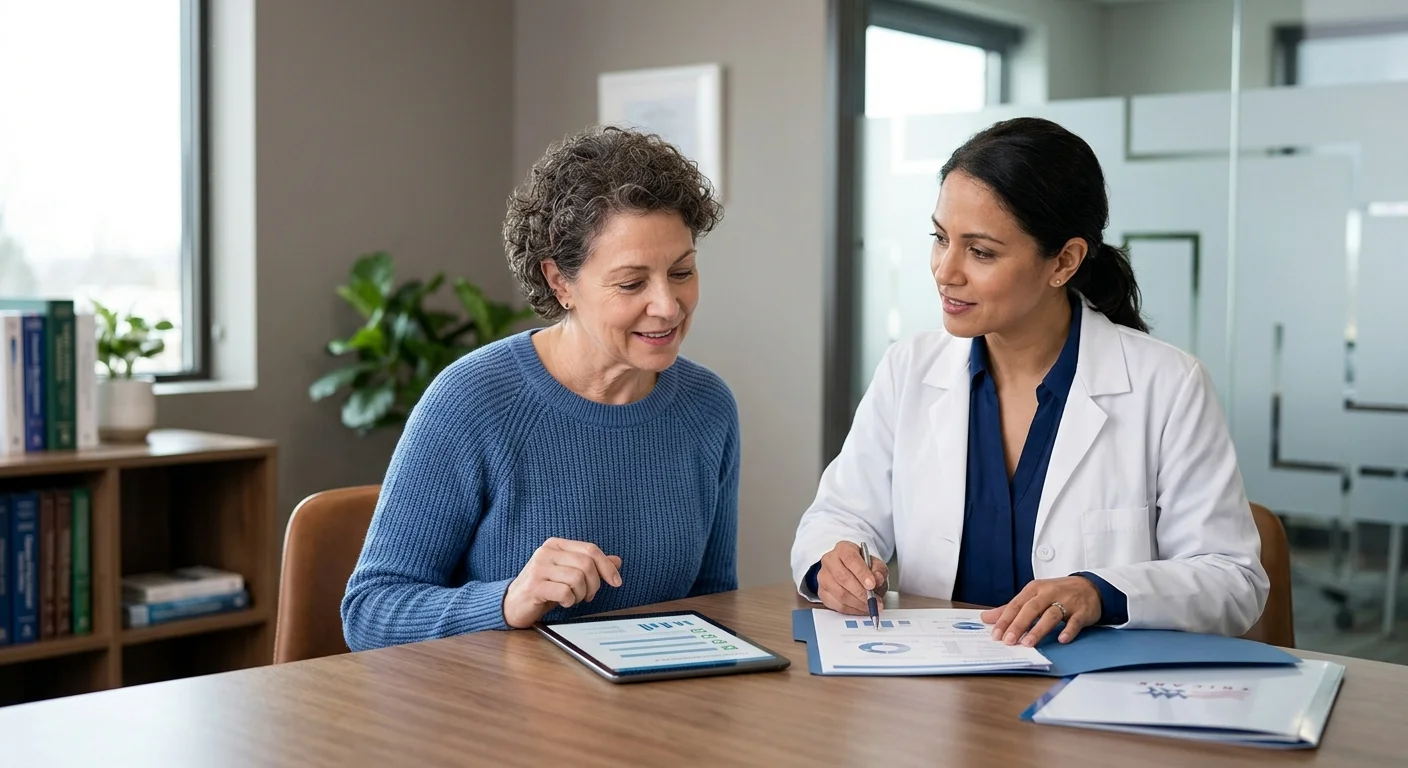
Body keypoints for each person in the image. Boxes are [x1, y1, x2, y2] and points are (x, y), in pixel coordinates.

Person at [791, 116, 1268, 647]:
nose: (945, 271)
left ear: (1064, 261)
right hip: (937, 683)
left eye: (981, 252)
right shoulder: (909, 369)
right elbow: (839, 515)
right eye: (940, 238)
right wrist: (834, 562)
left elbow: (1233, 580)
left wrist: (1098, 592)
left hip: (1090, 689)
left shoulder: (1168, 385)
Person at [342, 126, 738, 651]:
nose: (668, 306)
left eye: (682, 272)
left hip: (656, 698)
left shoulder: (708, 407)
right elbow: (370, 613)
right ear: (560, 282)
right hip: (499, 699)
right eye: (631, 283)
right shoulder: (471, 400)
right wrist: (509, 601)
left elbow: (714, 604)